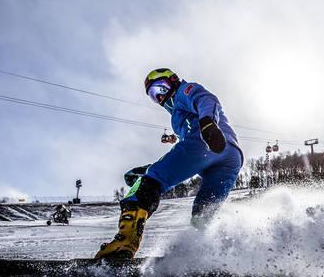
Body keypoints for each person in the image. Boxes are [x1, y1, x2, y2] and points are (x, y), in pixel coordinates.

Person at [95, 68, 243, 259]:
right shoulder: (179, 115)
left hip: (206, 142)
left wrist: (207, 123)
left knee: (147, 184)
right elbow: (180, 159)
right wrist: (149, 168)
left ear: (173, 80)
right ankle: (212, 255)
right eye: (154, 96)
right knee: (202, 214)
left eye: (161, 88)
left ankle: (125, 241)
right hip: (231, 159)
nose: (161, 98)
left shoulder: (183, 90)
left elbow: (206, 99)